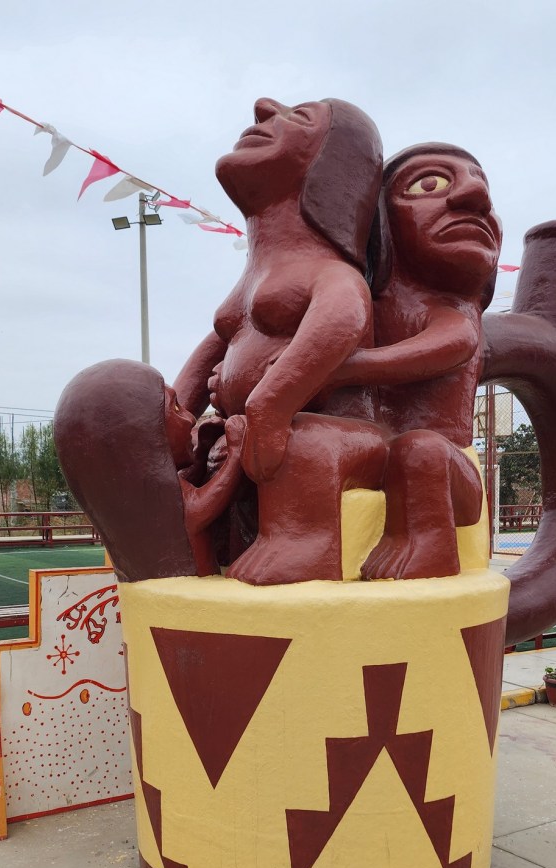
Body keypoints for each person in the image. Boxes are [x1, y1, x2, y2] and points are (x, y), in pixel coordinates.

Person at [173, 96, 390, 584]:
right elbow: (212, 347)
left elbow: (342, 317)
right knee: (206, 450)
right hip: (254, 435)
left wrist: (272, 403)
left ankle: (306, 543)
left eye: (301, 118)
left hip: (345, 439)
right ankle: (210, 545)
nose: (263, 108)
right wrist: (173, 417)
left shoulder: (328, 269)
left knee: (305, 442)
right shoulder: (251, 281)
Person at [326, 144, 502, 578]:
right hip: (371, 457)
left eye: (482, 185)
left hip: (446, 472)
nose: (476, 196)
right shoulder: (357, 299)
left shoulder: (451, 311)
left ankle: (429, 547)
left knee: (420, 450)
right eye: (430, 183)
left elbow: (450, 345)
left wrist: (341, 369)